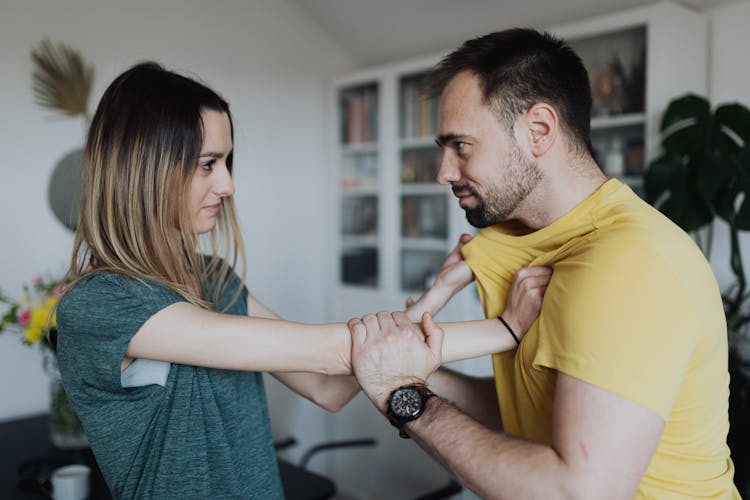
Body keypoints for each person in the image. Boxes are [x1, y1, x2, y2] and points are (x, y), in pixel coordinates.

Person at [54, 61, 552, 499]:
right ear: (146, 169)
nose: (226, 185)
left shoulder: (214, 278)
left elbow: (326, 387)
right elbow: (332, 351)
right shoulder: (101, 304)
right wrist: (502, 331)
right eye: (208, 164)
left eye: (227, 162)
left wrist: (436, 294)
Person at [348, 28, 740, 499]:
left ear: (538, 130)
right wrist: (413, 371)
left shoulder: (627, 261)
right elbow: (535, 411)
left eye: (461, 146)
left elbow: (575, 493)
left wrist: (408, 401)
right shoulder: (527, 244)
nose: (443, 173)